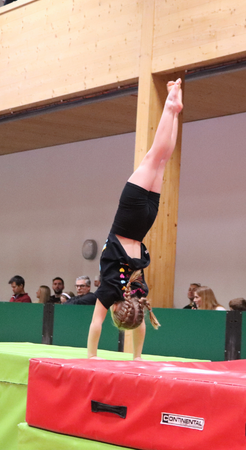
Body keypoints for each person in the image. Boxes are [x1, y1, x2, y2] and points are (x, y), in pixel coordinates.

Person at [87, 79, 182, 360]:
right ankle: (169, 107)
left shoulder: (140, 292)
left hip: (145, 222)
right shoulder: (109, 291)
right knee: (153, 156)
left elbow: (139, 323)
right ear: (116, 310)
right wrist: (91, 357)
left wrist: (137, 357)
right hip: (128, 219)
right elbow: (95, 324)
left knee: (162, 160)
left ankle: (175, 113)